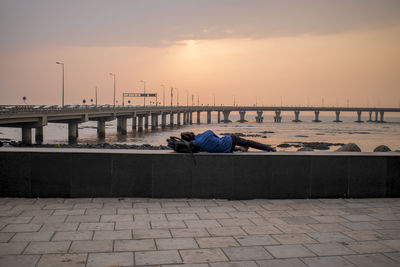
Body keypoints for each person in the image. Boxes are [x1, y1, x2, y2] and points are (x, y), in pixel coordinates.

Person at [180, 130, 276, 153]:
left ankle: (240, 149)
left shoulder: (195, 144)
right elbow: (215, 136)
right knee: (248, 142)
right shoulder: (205, 133)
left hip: (226, 149)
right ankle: (269, 149)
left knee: (220, 145)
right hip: (229, 140)